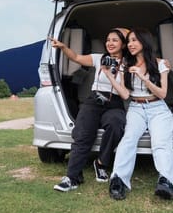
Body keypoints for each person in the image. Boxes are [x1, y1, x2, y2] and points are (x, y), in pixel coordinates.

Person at [50, 28, 130, 192]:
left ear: (123, 44)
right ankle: (72, 178)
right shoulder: (99, 58)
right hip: (94, 100)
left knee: (116, 124)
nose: (110, 43)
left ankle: (100, 163)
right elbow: (76, 57)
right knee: (83, 133)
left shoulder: (130, 63)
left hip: (115, 102)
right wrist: (63, 47)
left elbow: (149, 60)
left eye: (115, 40)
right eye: (108, 39)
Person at [102, 28, 173, 200]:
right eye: (129, 41)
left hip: (158, 108)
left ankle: (166, 181)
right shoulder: (126, 66)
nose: (130, 44)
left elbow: (163, 94)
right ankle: (118, 180)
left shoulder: (161, 64)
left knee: (160, 143)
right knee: (128, 140)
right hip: (136, 107)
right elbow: (126, 95)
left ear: (144, 42)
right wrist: (109, 75)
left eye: (134, 40)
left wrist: (143, 78)